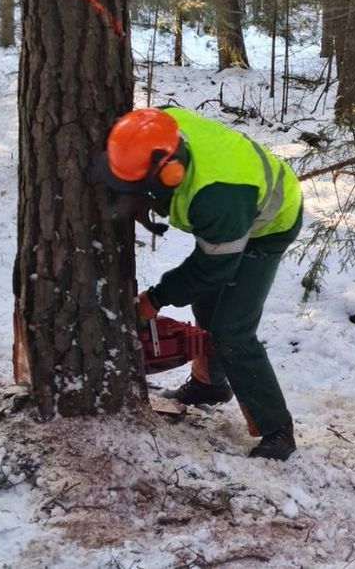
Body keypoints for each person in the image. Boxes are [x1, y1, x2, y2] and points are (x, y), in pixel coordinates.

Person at [97, 106, 303, 461]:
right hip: (233, 210)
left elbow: (212, 269)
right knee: (206, 303)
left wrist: (155, 299)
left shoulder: (216, 199)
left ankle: (277, 428)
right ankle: (209, 385)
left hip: (268, 225)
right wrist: (142, 196)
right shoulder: (156, 127)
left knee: (231, 331)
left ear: (170, 174)